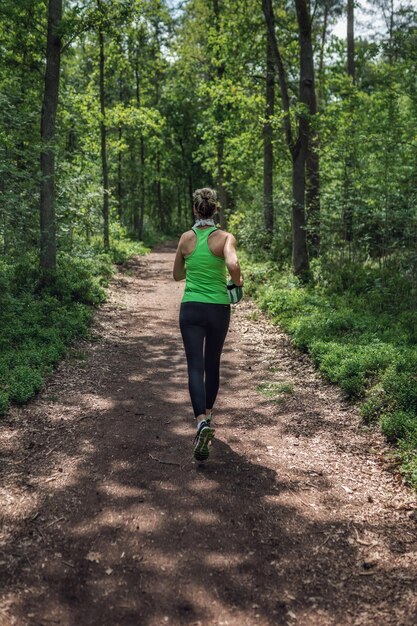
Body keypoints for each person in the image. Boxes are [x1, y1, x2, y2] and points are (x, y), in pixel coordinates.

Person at [173, 187, 243, 462]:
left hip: (190, 308)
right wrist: (237, 283)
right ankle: (209, 417)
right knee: (212, 363)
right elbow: (233, 263)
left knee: (194, 366)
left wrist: (191, 263)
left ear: (195, 210)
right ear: (215, 210)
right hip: (217, 309)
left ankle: (200, 421)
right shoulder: (225, 238)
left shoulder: (186, 239)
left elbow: (177, 275)